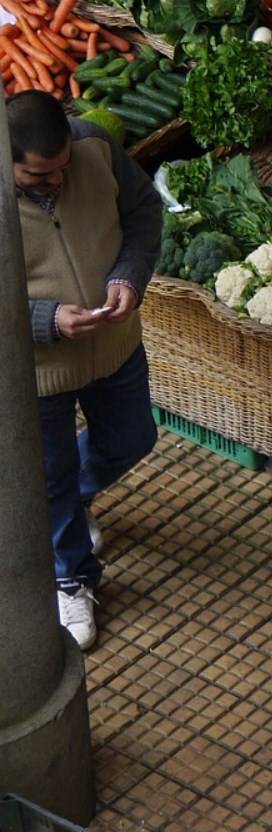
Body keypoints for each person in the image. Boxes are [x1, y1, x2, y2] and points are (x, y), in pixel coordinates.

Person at [12, 91, 163, 650]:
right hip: (37, 371)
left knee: (132, 439)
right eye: (38, 175)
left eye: (62, 167)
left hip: (114, 346)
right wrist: (46, 319)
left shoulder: (94, 147)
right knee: (48, 477)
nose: (56, 181)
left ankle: (69, 503)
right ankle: (70, 577)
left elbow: (144, 213)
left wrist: (127, 277)